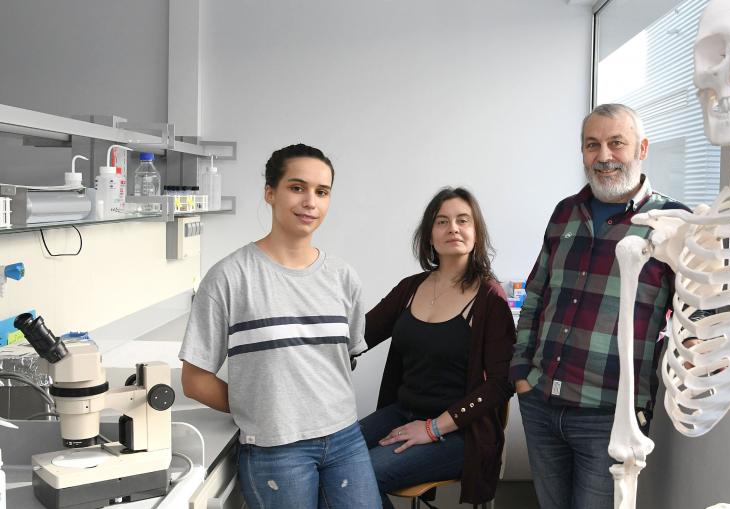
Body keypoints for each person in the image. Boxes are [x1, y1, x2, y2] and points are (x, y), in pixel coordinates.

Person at [179, 143, 381, 509]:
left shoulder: (343, 277)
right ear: (270, 193)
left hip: (345, 438)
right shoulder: (229, 277)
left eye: (322, 192)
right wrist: (262, 408)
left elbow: (341, 361)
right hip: (276, 449)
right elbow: (194, 381)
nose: (310, 202)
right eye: (297, 187)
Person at [510, 103, 689, 509]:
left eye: (616, 143)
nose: (604, 156)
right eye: (592, 145)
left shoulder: (671, 220)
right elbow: (537, 293)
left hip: (608, 416)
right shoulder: (565, 213)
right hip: (541, 403)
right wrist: (522, 373)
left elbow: (697, 311)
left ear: (642, 148)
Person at [361, 187, 516, 508]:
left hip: (460, 430)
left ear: (476, 233)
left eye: (463, 220)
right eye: (442, 222)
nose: (453, 228)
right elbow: (357, 336)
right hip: (402, 413)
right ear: (430, 235)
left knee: (360, 476)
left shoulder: (489, 299)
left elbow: (502, 383)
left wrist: (432, 428)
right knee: (329, 461)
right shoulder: (410, 288)